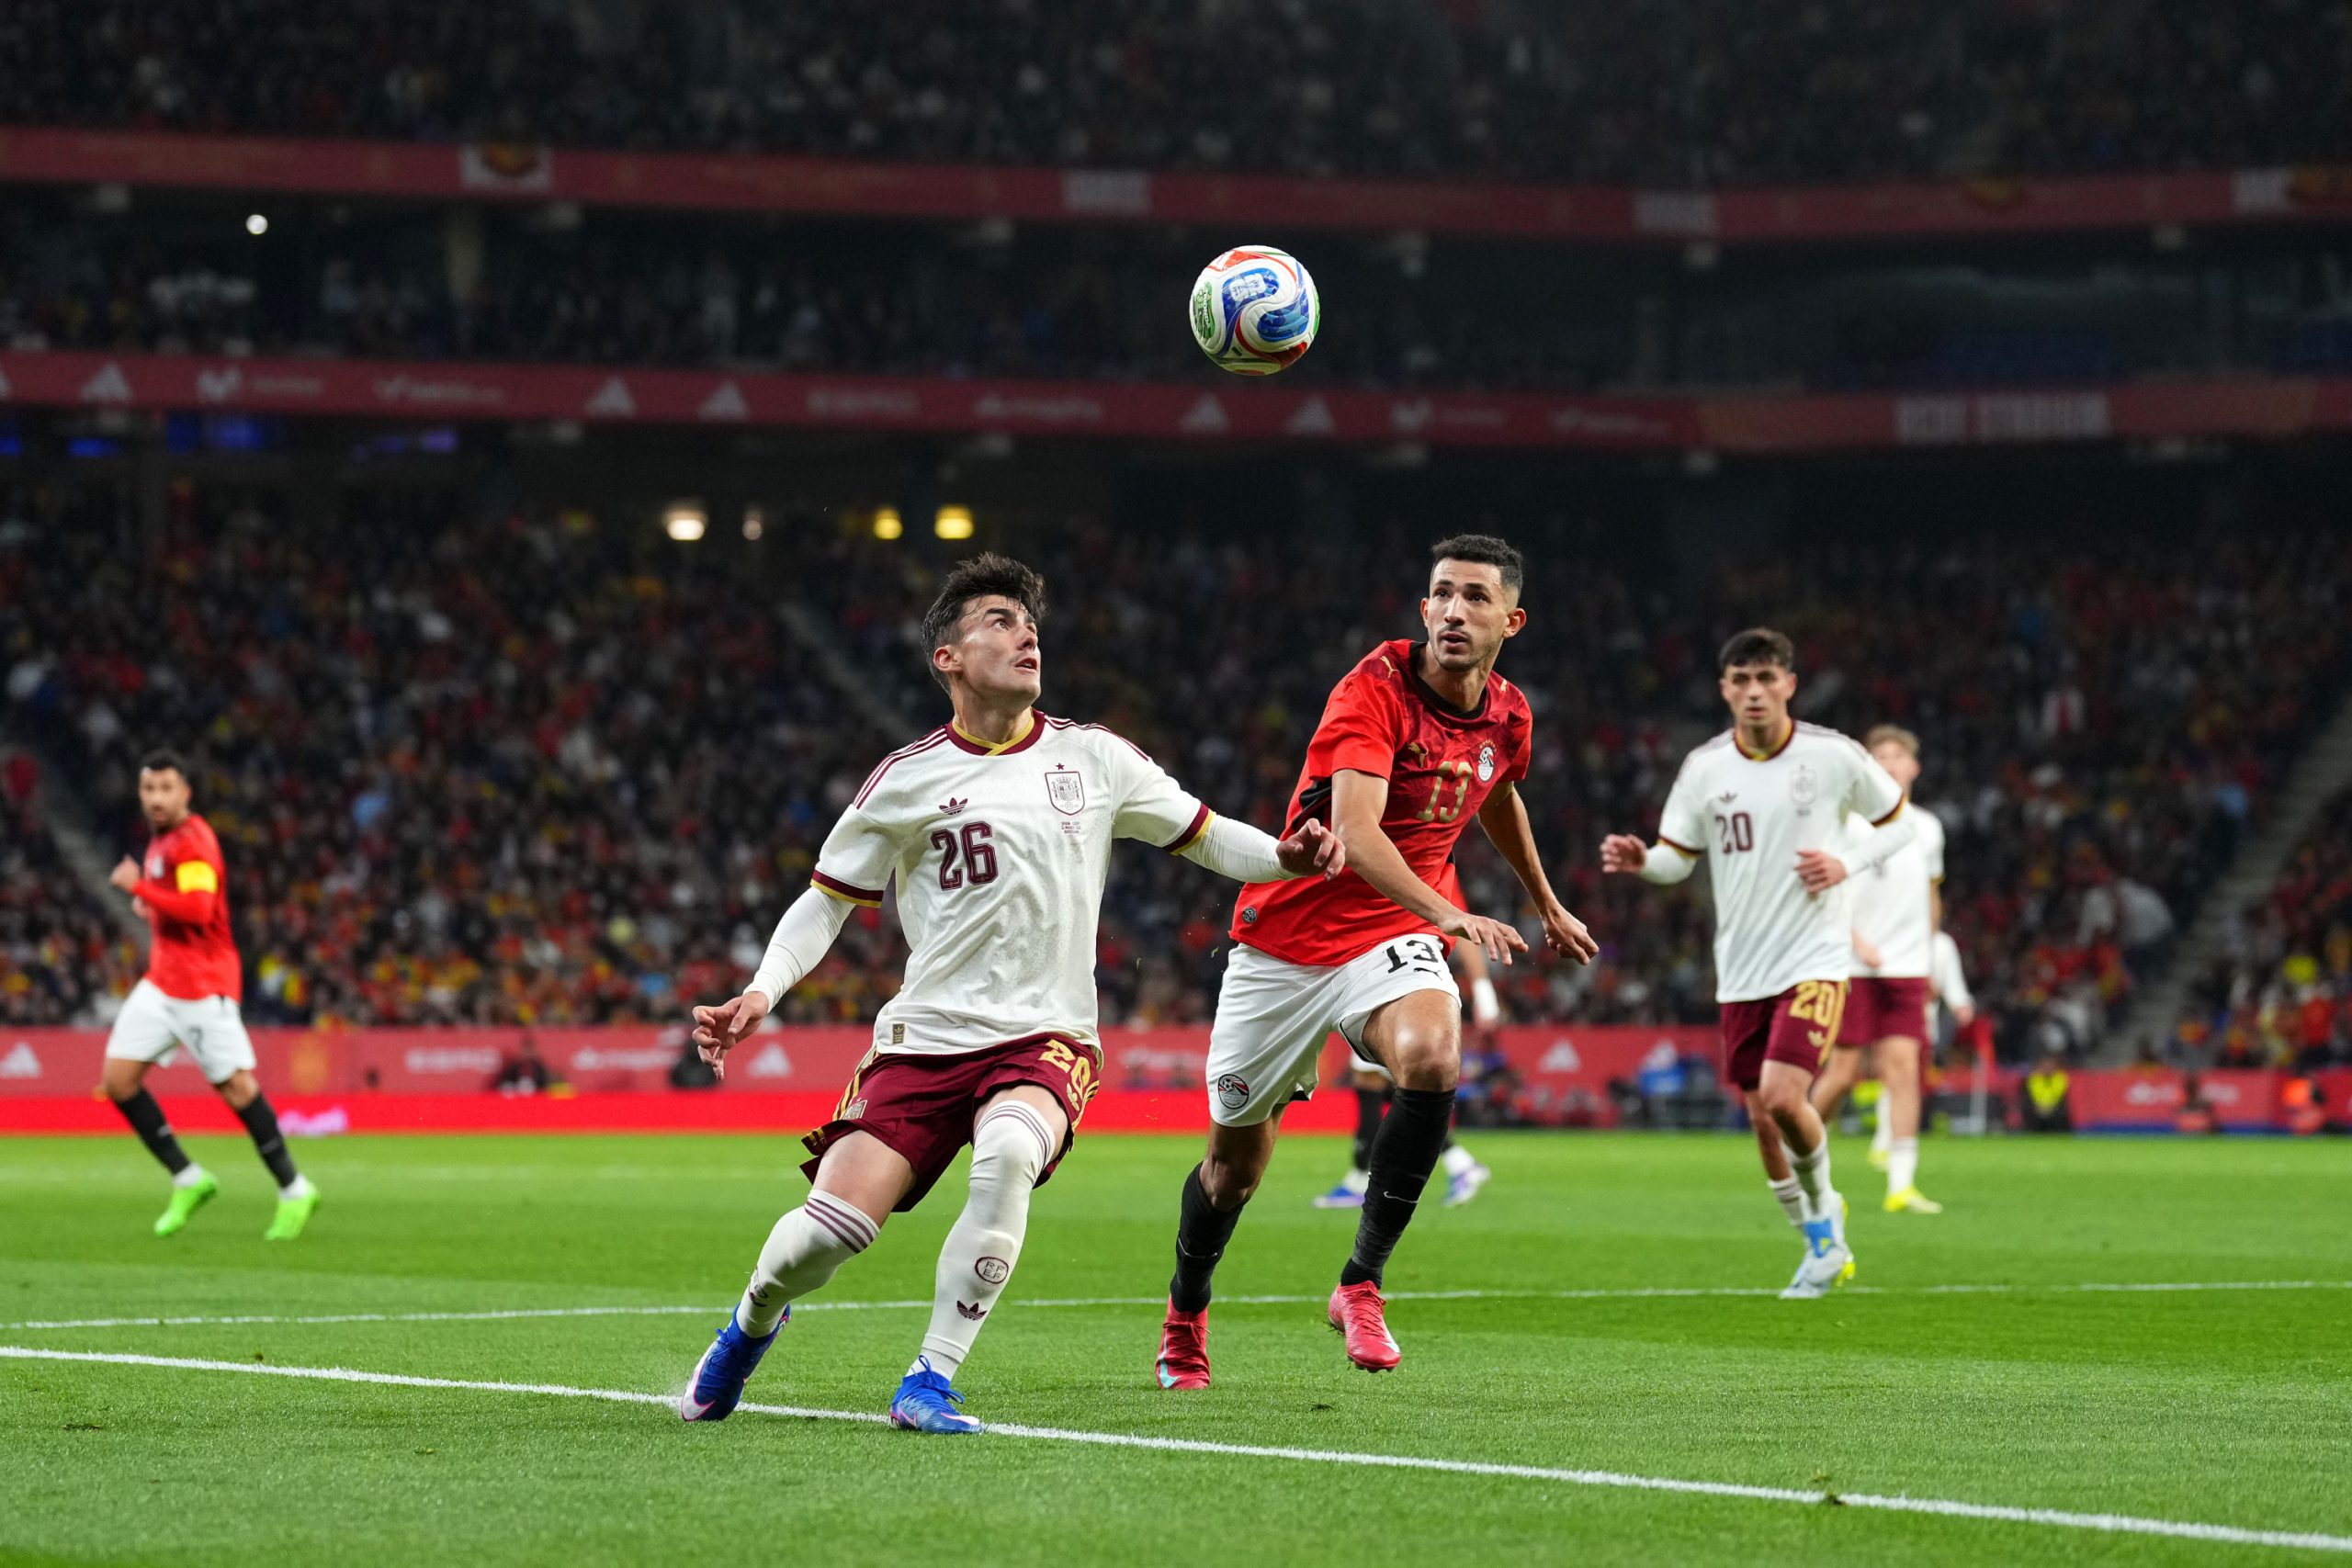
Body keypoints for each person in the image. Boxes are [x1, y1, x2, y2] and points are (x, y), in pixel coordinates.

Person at [676, 553, 1342, 1434]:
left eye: (1028, 621)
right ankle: (751, 1323)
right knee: (825, 1235)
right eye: (997, 619)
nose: (1025, 631)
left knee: (1008, 1157)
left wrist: (1285, 857)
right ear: (946, 657)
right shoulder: (905, 777)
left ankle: (930, 1378)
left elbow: (1208, 836)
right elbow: (826, 901)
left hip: (1046, 1035)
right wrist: (762, 990)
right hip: (924, 1038)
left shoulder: (1095, 757)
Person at [1156, 534, 1598, 1387]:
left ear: (1514, 617)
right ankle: (1186, 1309)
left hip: (1389, 934)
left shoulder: (1510, 712)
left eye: (1475, 596)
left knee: (1433, 1055)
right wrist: (1452, 911)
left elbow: (1498, 788)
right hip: (1285, 939)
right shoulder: (1372, 689)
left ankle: (1360, 1283)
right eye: (1441, 593)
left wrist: (1544, 901)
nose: (1454, 611)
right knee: (1232, 1173)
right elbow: (1357, 834)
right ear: (1423, 606)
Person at [1601, 628, 1913, 1300]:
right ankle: (1819, 1243)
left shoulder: (1833, 756)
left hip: (1816, 959)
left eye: (1766, 678)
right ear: (1724, 690)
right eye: (1740, 680)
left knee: (1781, 1095)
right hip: (1741, 970)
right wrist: (1642, 861)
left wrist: (1847, 862)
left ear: (1790, 685)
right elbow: (1676, 858)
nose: (1753, 691)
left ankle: (1827, 1209)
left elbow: (1902, 822)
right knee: (1762, 1122)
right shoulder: (1705, 768)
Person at [98, 750, 320, 1240]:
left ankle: (294, 1188)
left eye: (166, 789)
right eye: (149, 789)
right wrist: (151, 906)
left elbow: (199, 910)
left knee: (237, 1090)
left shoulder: (193, 841)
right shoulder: (161, 842)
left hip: (201, 987)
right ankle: (188, 1177)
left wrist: (142, 890)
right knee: (118, 1080)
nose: (156, 799)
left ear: (185, 793)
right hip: (161, 983)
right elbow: (179, 908)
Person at [1808, 726, 1946, 1214]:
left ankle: (1901, 1186)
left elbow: (1931, 897)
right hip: (1853, 964)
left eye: (1898, 757)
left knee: (1903, 1071)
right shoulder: (1848, 824)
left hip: (1907, 966)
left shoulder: (1928, 828)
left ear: (1914, 768)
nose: (1890, 764)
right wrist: (1855, 939)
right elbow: (1823, 890)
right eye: (1880, 757)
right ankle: (1801, 1153)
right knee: (1844, 1073)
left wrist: (1930, 961)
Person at [1314, 867, 1495, 1211]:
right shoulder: (1382, 851)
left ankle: (1365, 1177)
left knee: (1402, 1084)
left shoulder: (1429, 861)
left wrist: (1485, 991)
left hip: (1403, 984)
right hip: (1378, 974)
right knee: (1379, 1081)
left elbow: (1463, 922)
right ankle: (1450, 1164)